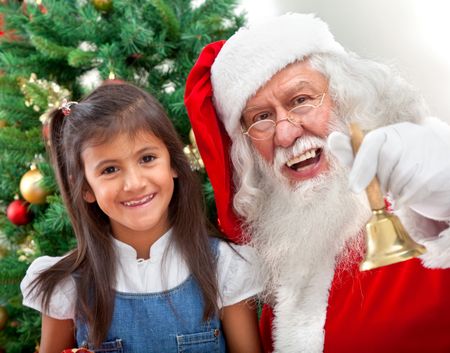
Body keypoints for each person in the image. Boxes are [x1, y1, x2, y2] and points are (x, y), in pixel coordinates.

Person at [184, 13, 450, 353]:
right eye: (261, 118)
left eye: (301, 100)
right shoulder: (281, 251)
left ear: (346, 99)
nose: (285, 132)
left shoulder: (429, 209)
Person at [20, 83, 263, 353]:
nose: (134, 183)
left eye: (147, 158)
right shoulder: (67, 286)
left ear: (172, 162)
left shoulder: (224, 267)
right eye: (110, 169)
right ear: (85, 187)